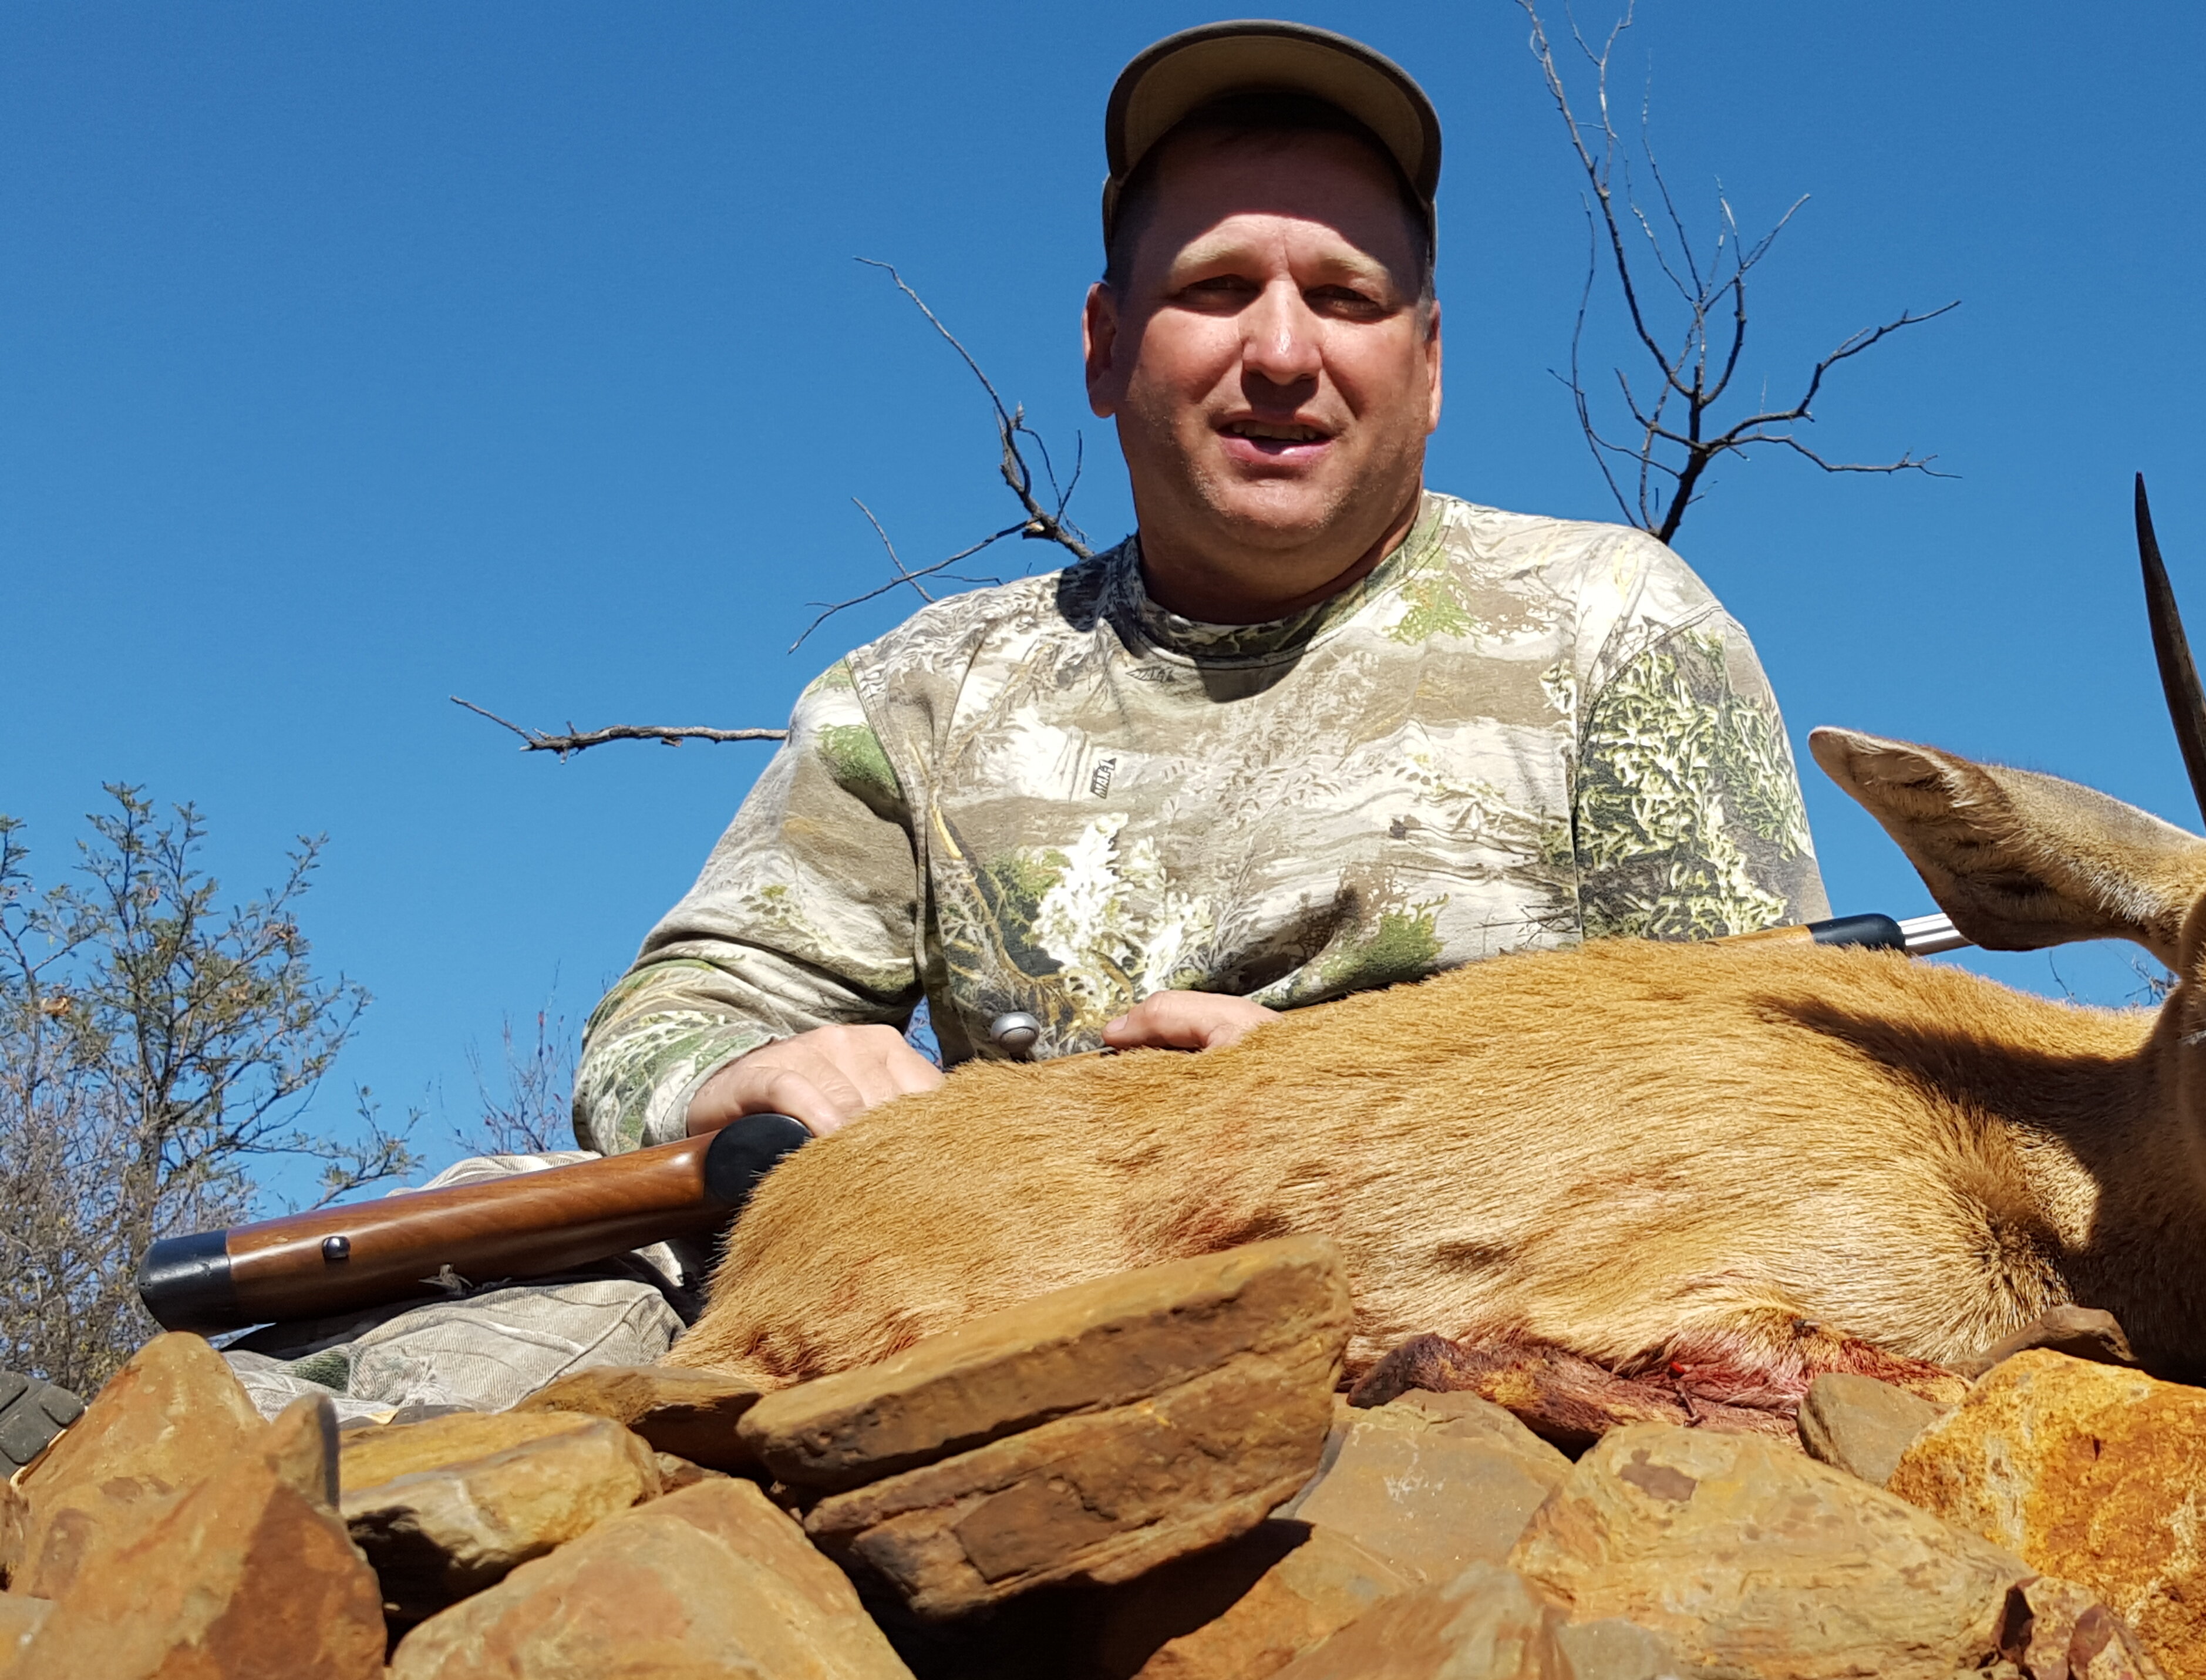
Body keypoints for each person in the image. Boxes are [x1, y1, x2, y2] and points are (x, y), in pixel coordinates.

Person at [218, 21, 1829, 1420]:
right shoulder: (929, 686)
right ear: (1106, 348)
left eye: (1345, 297)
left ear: (1428, 367)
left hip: (1444, 1312)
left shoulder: (1622, 624)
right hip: (996, 1301)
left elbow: (1757, 1101)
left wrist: (1334, 1127)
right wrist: (758, 1072)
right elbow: (669, 1020)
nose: (1282, 350)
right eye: (1216, 289)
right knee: (470, 1280)